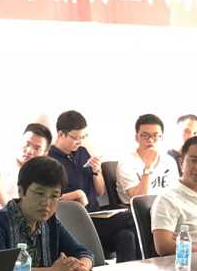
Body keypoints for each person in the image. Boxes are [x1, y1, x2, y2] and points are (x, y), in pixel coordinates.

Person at [0, 156, 94, 271]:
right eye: (40, 193)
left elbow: (83, 252)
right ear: (21, 191)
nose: (46, 203)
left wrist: (81, 266)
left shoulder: (50, 222)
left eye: (54, 196)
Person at [49, 110, 139, 262]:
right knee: (132, 217)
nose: (80, 142)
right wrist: (76, 194)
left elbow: (100, 191)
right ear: (60, 134)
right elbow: (50, 199)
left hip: (96, 216)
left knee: (126, 236)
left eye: (83, 137)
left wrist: (97, 171)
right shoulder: (50, 160)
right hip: (75, 221)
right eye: (75, 138)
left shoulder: (82, 152)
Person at [0, 123, 52, 212]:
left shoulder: (40, 172)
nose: (29, 151)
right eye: (27, 144)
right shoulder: (5, 160)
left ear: (45, 153)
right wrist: (14, 211)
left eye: (37, 148)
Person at [116, 113, 179, 204]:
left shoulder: (169, 161)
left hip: (165, 207)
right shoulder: (126, 163)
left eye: (155, 135)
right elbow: (139, 198)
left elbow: (175, 193)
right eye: (145, 135)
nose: (150, 140)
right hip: (138, 210)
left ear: (161, 137)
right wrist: (148, 167)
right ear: (136, 138)